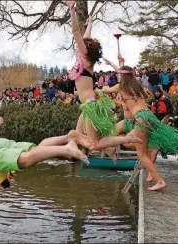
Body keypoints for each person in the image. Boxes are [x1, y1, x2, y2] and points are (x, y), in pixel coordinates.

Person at [102, 57, 178, 191]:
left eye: (119, 74)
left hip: (140, 119)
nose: (118, 75)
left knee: (141, 154)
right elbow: (122, 72)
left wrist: (93, 93)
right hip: (148, 116)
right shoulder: (137, 85)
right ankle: (152, 150)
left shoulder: (121, 87)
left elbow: (105, 91)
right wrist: (111, 64)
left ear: (122, 76)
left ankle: (159, 180)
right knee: (128, 142)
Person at [67, 0, 142, 163]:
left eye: (81, 45)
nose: (78, 45)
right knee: (77, 134)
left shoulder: (85, 59)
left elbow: (75, 32)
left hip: (91, 104)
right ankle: (101, 150)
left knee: (95, 143)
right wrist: (90, 23)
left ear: (85, 49)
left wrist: (72, 10)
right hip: (89, 104)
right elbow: (84, 36)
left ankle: (126, 140)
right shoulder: (84, 58)